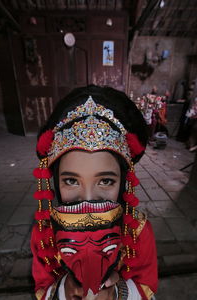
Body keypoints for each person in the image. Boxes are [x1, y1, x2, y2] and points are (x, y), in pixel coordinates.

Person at [31, 85, 158, 300]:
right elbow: (42, 286)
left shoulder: (138, 231)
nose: (88, 198)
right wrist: (63, 289)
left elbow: (147, 286)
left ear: (124, 181)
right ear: (54, 180)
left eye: (106, 180)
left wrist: (119, 292)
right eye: (71, 180)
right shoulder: (44, 233)